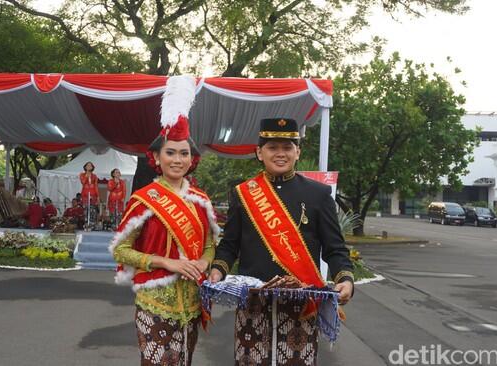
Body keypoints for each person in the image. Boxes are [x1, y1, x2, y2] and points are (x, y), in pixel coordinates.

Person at [209, 117, 354, 366]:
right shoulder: (243, 194)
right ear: (259, 152)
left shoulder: (318, 194)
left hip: (301, 309)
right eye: (272, 147)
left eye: (287, 147)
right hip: (253, 305)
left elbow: (335, 248)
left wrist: (346, 279)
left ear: (297, 151)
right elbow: (230, 245)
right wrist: (217, 269)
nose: (280, 154)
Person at [109, 75, 219, 366]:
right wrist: (165, 262)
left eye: (184, 153)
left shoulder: (201, 200)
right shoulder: (144, 199)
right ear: (156, 157)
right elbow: (120, 250)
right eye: (170, 152)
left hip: (192, 302)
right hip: (154, 301)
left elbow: (210, 245)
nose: (177, 159)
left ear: (191, 159)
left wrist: (205, 263)